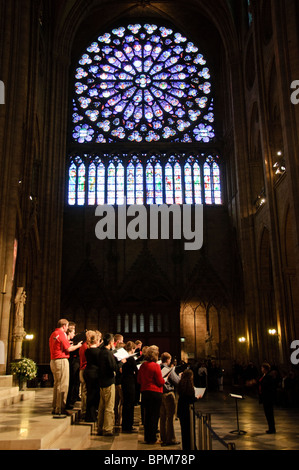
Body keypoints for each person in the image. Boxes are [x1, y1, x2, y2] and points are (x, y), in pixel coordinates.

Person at [49, 319, 83, 415]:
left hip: (53, 360)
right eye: (67, 326)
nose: (68, 328)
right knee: (63, 385)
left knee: (57, 385)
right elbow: (69, 348)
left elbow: (61, 345)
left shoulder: (54, 333)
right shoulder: (61, 334)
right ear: (64, 326)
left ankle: (55, 407)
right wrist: (78, 345)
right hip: (61, 360)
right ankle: (61, 408)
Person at [97, 333, 126, 436]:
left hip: (101, 381)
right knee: (109, 406)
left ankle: (100, 427)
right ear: (110, 342)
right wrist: (122, 362)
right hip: (109, 382)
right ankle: (108, 429)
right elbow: (114, 367)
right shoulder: (108, 354)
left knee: (102, 406)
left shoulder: (101, 352)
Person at [137, 345, 165, 444]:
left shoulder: (143, 365)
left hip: (145, 393)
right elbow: (160, 381)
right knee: (154, 416)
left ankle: (147, 437)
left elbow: (139, 380)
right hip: (155, 393)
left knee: (147, 416)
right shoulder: (156, 366)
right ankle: (153, 438)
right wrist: (164, 380)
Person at [159, 352, 180, 446]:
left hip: (160, 394)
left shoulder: (158, 367)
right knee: (170, 417)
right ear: (168, 360)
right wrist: (179, 377)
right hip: (168, 394)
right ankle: (170, 438)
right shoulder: (168, 369)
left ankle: (163, 437)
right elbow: (177, 381)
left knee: (162, 417)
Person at [177, 369, 201, 450]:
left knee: (184, 431)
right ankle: (192, 447)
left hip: (181, 409)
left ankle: (186, 447)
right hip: (188, 410)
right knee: (190, 430)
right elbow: (191, 399)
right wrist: (197, 397)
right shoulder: (189, 385)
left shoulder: (180, 383)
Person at [84, 330, 102, 422]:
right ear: (96, 341)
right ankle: (92, 416)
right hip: (95, 374)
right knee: (94, 395)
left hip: (87, 372)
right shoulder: (98, 351)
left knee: (89, 394)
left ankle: (89, 415)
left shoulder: (88, 350)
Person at [121, 341, 138, 433]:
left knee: (126, 404)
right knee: (130, 405)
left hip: (124, 382)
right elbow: (136, 370)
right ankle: (128, 426)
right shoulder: (131, 359)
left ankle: (125, 425)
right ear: (133, 349)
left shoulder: (123, 358)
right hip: (130, 383)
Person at [258, 362, 276, 434]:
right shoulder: (264, 376)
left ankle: (272, 429)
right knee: (267, 413)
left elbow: (269, 386)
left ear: (265, 369)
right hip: (264, 397)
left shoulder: (269, 376)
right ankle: (270, 428)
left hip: (268, 397)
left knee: (269, 413)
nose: (261, 369)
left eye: (262, 368)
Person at [79, 336, 88, 420]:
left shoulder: (83, 346)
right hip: (84, 369)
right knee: (85, 391)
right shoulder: (86, 347)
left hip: (82, 369)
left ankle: (84, 410)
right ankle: (84, 411)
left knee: (84, 391)